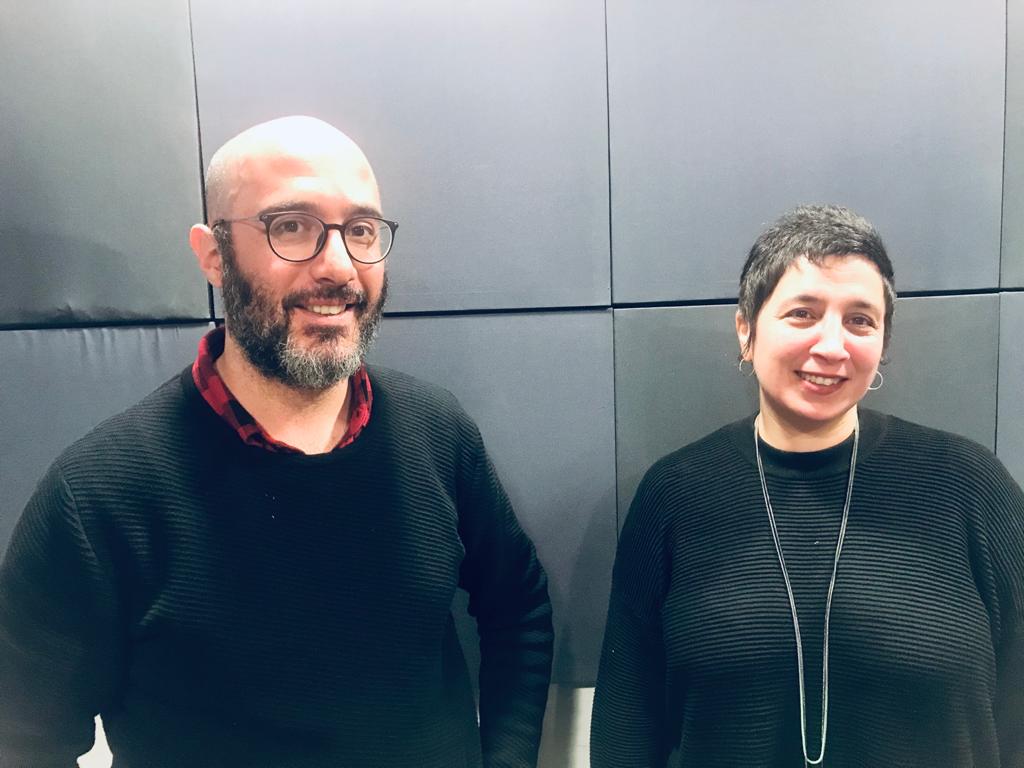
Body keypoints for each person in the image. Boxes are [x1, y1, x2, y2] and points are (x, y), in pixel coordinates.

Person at [0, 115, 553, 767]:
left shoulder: (438, 433)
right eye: (292, 226)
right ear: (213, 254)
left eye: (361, 230)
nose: (340, 267)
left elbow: (519, 608)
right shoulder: (97, 498)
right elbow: (24, 740)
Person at [590, 204, 1024, 767]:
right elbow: (627, 728)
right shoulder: (674, 496)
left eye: (860, 320)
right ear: (746, 330)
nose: (832, 346)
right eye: (803, 313)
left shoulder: (971, 486)